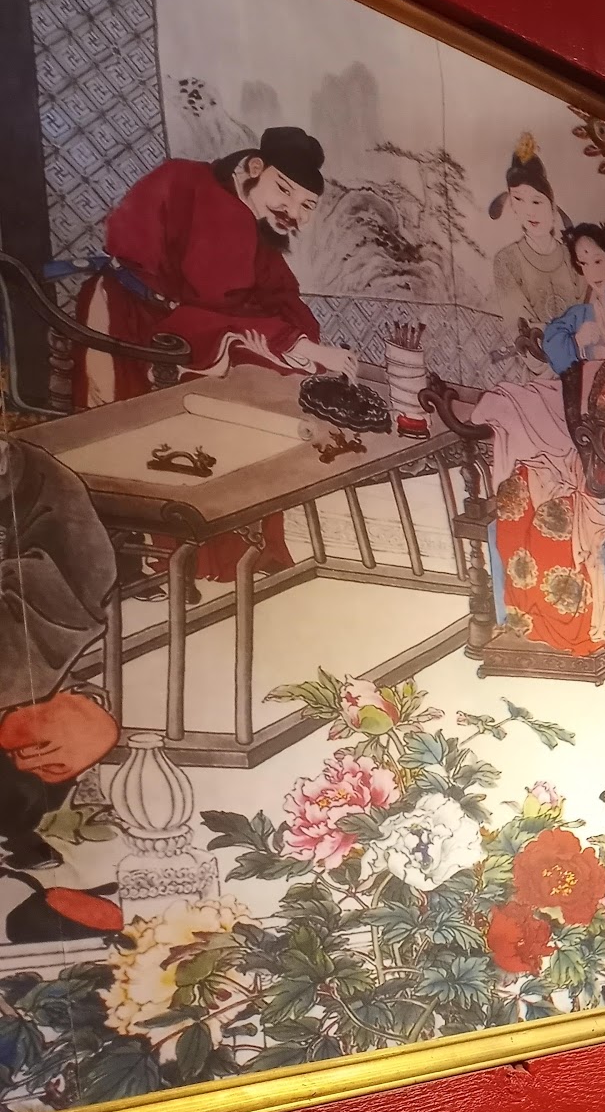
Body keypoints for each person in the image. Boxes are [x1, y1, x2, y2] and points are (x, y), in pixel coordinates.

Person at [68, 125, 353, 584]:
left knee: (268, 391)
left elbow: (277, 292)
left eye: (307, 206)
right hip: (131, 322)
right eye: (284, 191)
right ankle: (146, 561)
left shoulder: (255, 220)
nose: (293, 213)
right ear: (255, 167)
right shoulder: (189, 184)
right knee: (130, 440)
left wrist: (302, 339)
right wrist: (294, 343)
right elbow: (216, 299)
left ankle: (236, 553)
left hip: (190, 329)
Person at [473, 265, 605, 656]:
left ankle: (565, 631)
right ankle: (522, 619)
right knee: (514, 497)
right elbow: (549, 402)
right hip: (573, 465)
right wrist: (503, 404)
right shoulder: (593, 371)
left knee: (552, 522)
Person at [0, 436, 118, 875]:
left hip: (16, 656)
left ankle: (17, 830)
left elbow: (75, 580)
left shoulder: (37, 478)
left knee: (74, 729)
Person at [488, 134, 582, 376]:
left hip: (582, 365)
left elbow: (588, 315)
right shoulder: (507, 260)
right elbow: (520, 326)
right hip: (537, 372)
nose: (529, 211)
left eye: (537, 202)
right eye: (518, 199)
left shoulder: (574, 257)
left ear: (552, 205)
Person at [542, 222, 605, 375]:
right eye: (584, 263)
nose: (592, 272)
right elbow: (551, 346)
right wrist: (577, 341)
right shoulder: (579, 315)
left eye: (597, 261)